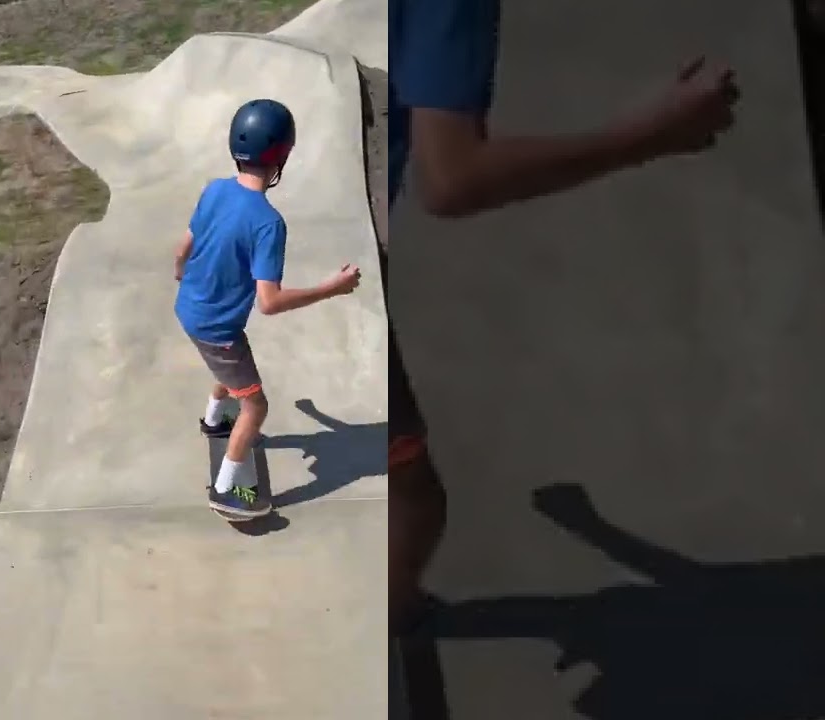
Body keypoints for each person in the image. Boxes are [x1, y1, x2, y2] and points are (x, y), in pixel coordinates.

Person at [389, 0, 740, 634]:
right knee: (410, 503)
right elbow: (450, 178)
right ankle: (369, 636)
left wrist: (590, 527)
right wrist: (657, 134)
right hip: (307, 272)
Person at [174, 98, 363, 519]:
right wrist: (331, 288)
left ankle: (213, 420)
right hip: (218, 330)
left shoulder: (214, 189)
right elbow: (270, 302)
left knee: (227, 365)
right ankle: (227, 491)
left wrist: (180, 273)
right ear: (283, 155)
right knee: (256, 405)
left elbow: (183, 248)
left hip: (189, 310)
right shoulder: (267, 222)